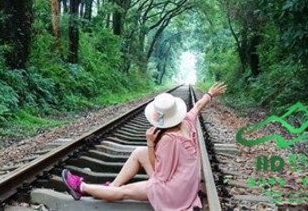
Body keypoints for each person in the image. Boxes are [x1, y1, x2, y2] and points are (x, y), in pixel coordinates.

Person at [62, 83, 227, 211]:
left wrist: (150, 143)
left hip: (173, 192)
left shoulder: (168, 140)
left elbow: (160, 174)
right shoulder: (187, 121)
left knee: (124, 192)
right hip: (186, 184)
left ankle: (81, 187)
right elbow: (197, 107)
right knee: (138, 152)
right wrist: (210, 94)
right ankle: (111, 186)